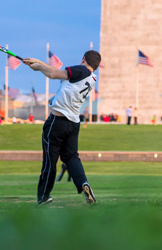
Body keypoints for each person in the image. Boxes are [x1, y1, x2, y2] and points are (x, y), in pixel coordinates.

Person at [23, 50, 100, 206]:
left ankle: (44, 196)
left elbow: (54, 75)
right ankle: (83, 183)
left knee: (50, 161)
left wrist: (39, 68)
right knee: (71, 157)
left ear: (83, 59)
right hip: (73, 123)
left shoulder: (81, 70)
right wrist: (39, 63)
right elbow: (55, 72)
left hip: (57, 122)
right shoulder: (92, 77)